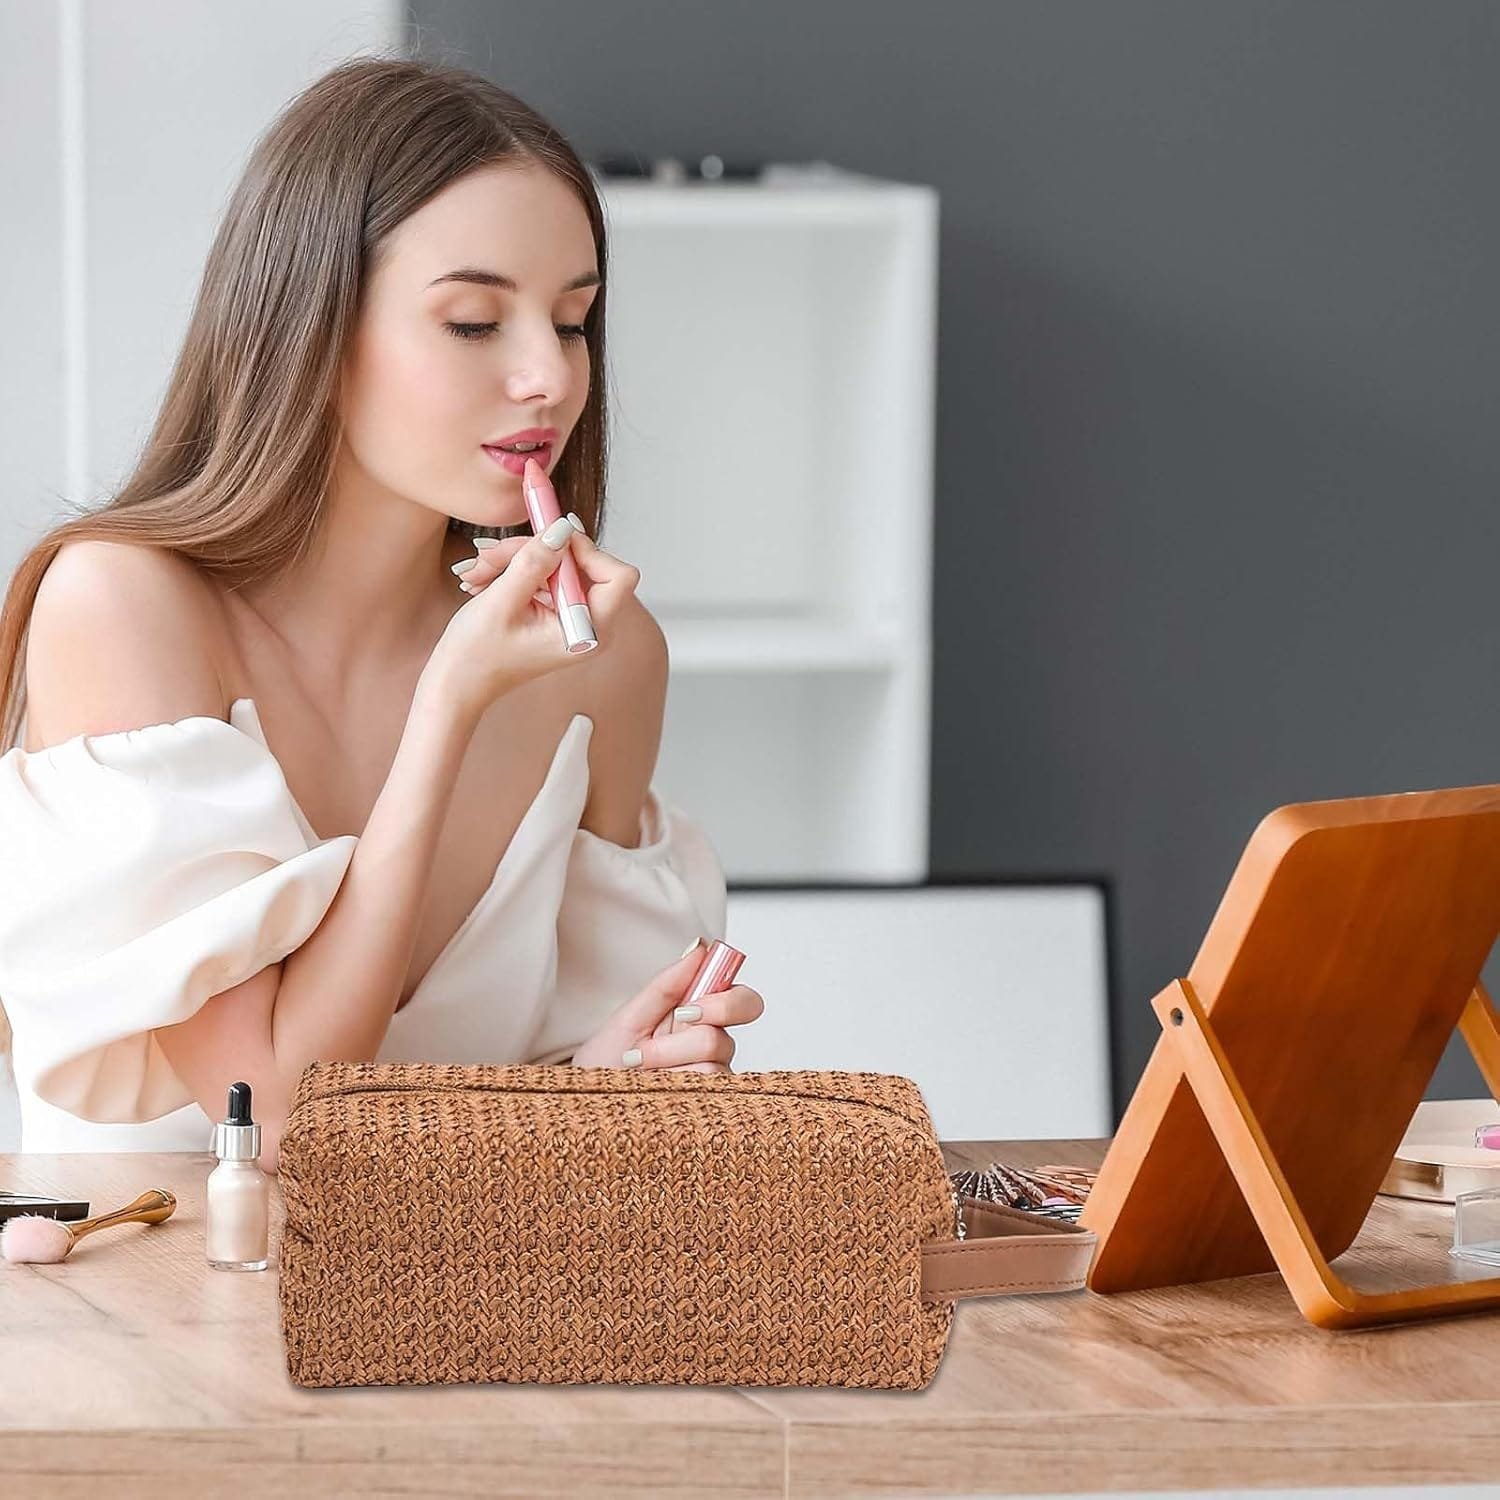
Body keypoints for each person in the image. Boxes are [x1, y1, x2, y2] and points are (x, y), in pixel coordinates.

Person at [0, 56, 762, 1171]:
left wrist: (609, 1081)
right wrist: (447, 709)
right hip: (149, 1313)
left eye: (574, 320)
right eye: (471, 322)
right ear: (308, 328)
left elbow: (507, 1134)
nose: (548, 375)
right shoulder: (127, 606)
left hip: (448, 1317)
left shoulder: (602, 658)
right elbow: (271, 1111)